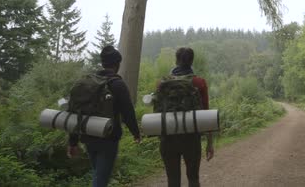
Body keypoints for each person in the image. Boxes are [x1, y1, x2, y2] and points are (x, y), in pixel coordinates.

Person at [67, 45, 141, 187]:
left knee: (98, 174)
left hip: (88, 135)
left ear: (103, 63)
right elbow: (128, 112)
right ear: (117, 64)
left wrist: (73, 141)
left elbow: (75, 112)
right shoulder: (117, 84)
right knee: (100, 179)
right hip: (108, 138)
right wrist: (136, 133)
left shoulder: (88, 83)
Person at [157, 47, 214, 187]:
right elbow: (205, 112)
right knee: (193, 179)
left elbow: (157, 110)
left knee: (173, 181)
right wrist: (210, 142)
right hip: (191, 138)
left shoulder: (162, 83)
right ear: (192, 61)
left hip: (168, 138)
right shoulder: (199, 82)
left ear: (176, 61)